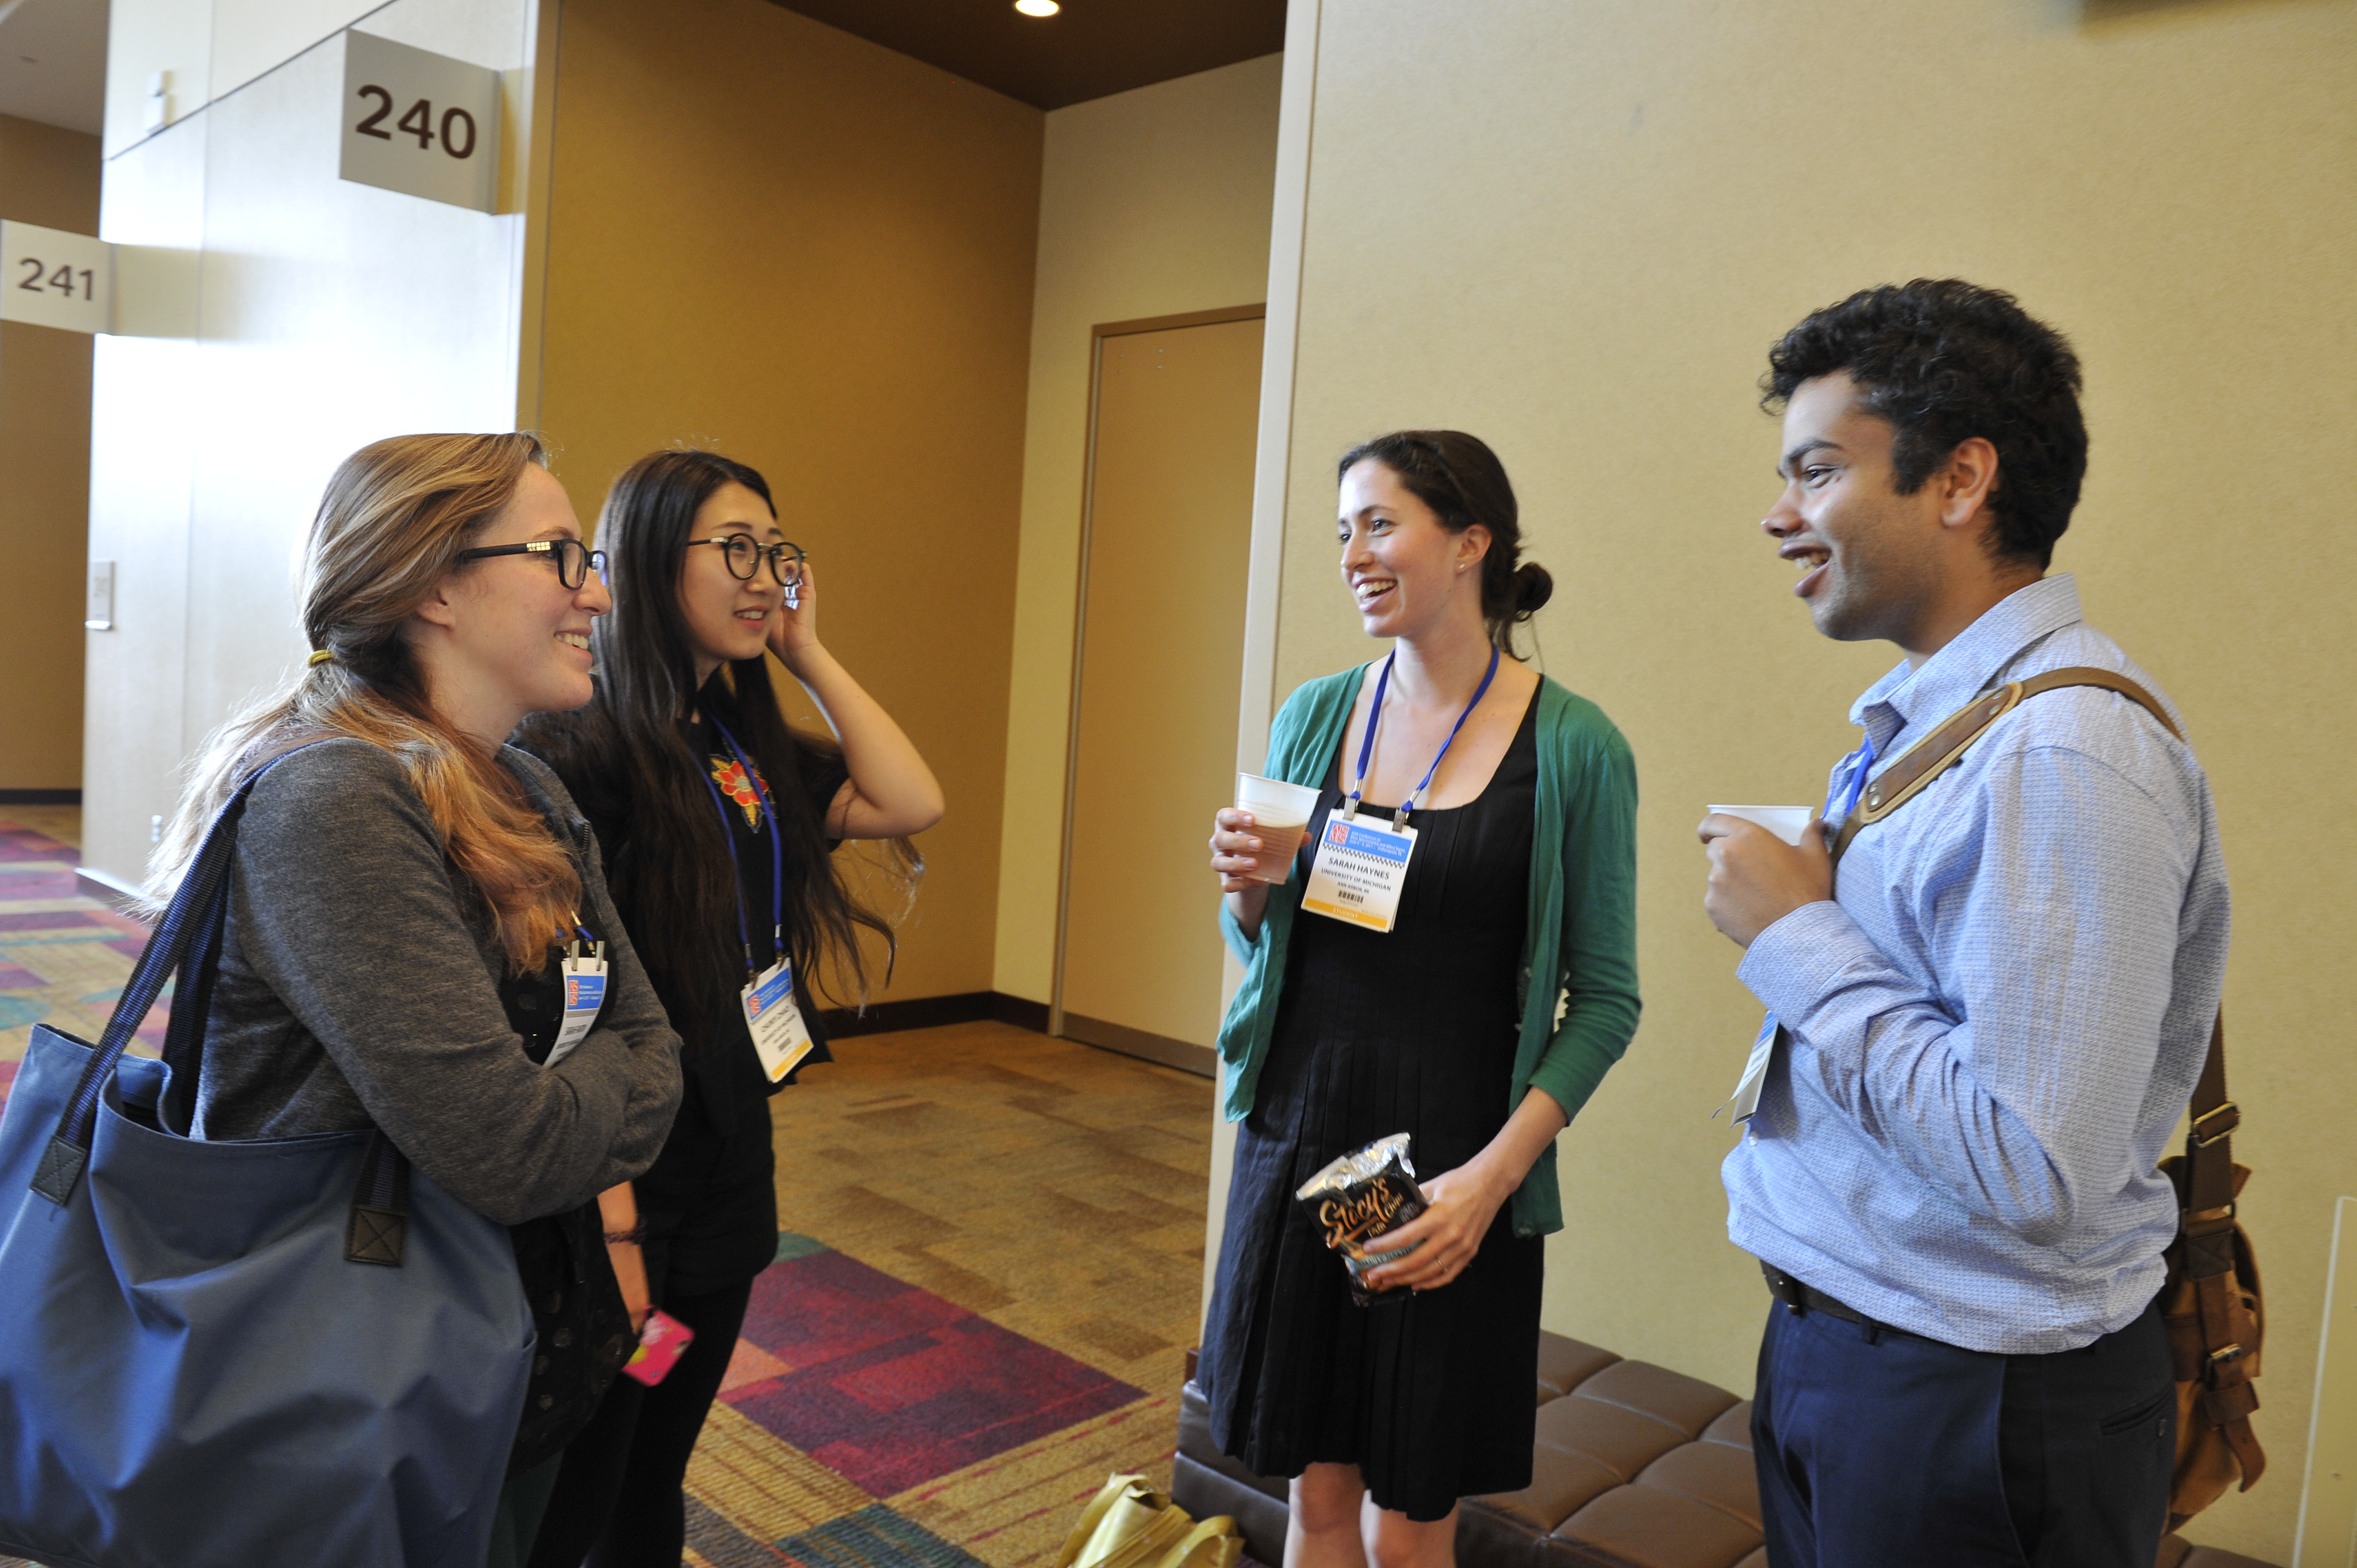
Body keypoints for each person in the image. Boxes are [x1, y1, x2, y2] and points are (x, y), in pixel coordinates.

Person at [1697, 280, 2226, 1567]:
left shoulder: (2063, 752)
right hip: (1862, 1351)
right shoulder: (1939, 718)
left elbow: (2029, 1165)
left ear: (1960, 479)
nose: (1778, 515)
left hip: (1966, 1402)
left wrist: (1795, 937)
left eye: (1816, 471)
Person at [147, 432, 685, 1567]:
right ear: (434, 585)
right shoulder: (334, 798)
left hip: (503, 1335)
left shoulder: (522, 779)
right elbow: (509, 1148)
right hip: (348, 1359)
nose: (595, 591)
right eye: (559, 555)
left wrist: (592, 1100)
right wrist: (607, 1094)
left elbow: (659, 1048)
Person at [1200, 431, 1640, 1566]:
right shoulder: (1314, 714)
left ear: (1471, 543)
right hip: (1306, 1138)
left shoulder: (1576, 747)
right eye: (1343, 529)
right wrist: (1246, 895)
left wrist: (1488, 1189)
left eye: (1379, 523)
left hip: (1447, 1167)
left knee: (1412, 1520)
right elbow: (1263, 949)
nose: (1353, 552)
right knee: (1318, 1497)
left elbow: (1603, 1004)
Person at [518, 450, 943, 1568]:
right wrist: (611, 1224)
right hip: (621, 1190)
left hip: (720, 1171)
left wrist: (807, 652)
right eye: (737, 550)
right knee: (585, 1480)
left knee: (655, 1462)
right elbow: (562, 1011)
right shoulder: (581, 746)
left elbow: (911, 798)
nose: (764, 576)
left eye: (777, 551)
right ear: (655, 562)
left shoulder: (737, 744)